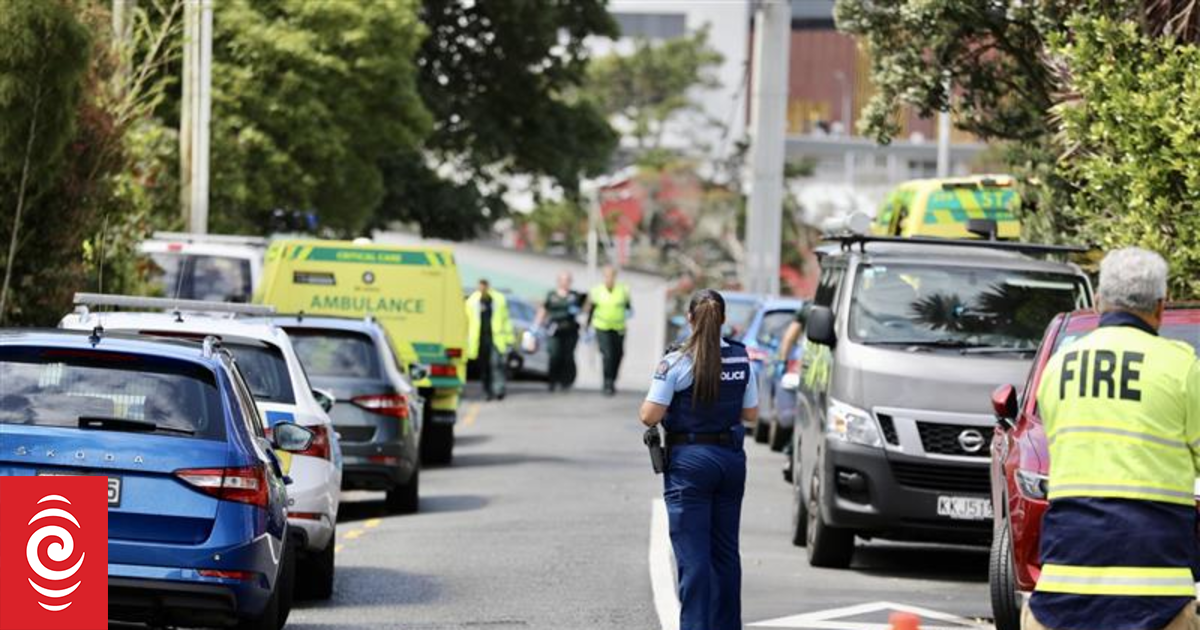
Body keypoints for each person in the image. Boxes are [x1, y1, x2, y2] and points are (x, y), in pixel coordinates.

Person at [1024, 248, 1200, 630]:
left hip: (1063, 587)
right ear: (1160, 307)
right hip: (1158, 594)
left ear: (1099, 301)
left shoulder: (1059, 368)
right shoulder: (1181, 367)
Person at [639, 289, 758, 630]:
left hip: (690, 463)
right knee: (725, 553)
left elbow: (649, 415)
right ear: (723, 321)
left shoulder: (676, 361)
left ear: (690, 319)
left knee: (694, 559)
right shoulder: (740, 358)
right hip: (731, 461)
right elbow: (750, 413)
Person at [535, 271, 585, 392]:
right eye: (563, 279)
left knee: (568, 357)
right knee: (555, 355)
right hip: (554, 330)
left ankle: (566, 381)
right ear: (558, 281)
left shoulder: (575, 295)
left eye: (568, 280)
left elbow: (584, 309)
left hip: (570, 331)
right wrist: (535, 327)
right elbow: (543, 310)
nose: (565, 282)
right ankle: (553, 381)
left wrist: (584, 305)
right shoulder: (551, 295)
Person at [465, 279, 514, 401]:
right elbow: (467, 321)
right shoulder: (472, 301)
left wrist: (509, 339)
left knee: (496, 364)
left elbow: (506, 320)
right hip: (479, 341)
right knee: (484, 367)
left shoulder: (498, 299)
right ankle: (488, 391)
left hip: (496, 339)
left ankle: (499, 389)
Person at [587, 266, 632, 396]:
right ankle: (607, 383)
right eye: (606, 276)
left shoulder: (623, 290)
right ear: (603, 277)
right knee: (608, 355)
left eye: (611, 275)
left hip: (619, 327)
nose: (609, 278)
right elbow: (591, 310)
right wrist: (587, 326)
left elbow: (628, 307)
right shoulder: (596, 291)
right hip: (601, 327)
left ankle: (613, 378)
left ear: (615, 276)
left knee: (619, 354)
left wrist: (629, 312)